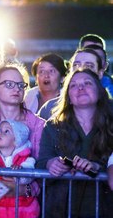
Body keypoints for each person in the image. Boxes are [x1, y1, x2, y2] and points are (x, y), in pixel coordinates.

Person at [36, 69, 113, 217]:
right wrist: (51, 164)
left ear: (99, 92)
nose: (80, 88)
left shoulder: (111, 126)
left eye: (87, 83)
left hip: (103, 207)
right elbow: (41, 163)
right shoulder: (53, 127)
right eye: (73, 85)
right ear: (69, 98)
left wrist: (97, 166)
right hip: (61, 208)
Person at [0, 65, 45, 204]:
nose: (17, 89)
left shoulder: (39, 126)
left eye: (20, 85)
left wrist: (26, 190)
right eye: (9, 84)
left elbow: (46, 169)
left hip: (26, 207)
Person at [0, 120, 39, 218]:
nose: (0, 132)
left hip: (19, 210)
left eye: (6, 131)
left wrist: (20, 172)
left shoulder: (26, 159)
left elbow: (28, 178)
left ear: (16, 140)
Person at [38, 47, 105, 120]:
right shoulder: (50, 108)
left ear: (100, 73)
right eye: (76, 65)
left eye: (88, 66)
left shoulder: (109, 109)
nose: (81, 70)